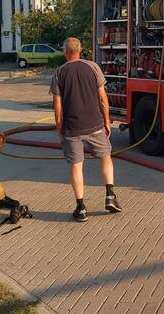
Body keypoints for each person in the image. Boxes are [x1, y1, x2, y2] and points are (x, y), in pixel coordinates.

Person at [50, 37, 121, 221]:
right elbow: (103, 98)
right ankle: (110, 195)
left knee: (76, 166)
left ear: (65, 51)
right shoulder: (93, 67)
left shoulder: (59, 73)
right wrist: (106, 121)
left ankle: (81, 207)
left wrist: (59, 128)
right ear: (80, 49)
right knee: (105, 157)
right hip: (95, 124)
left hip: (72, 128)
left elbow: (57, 106)